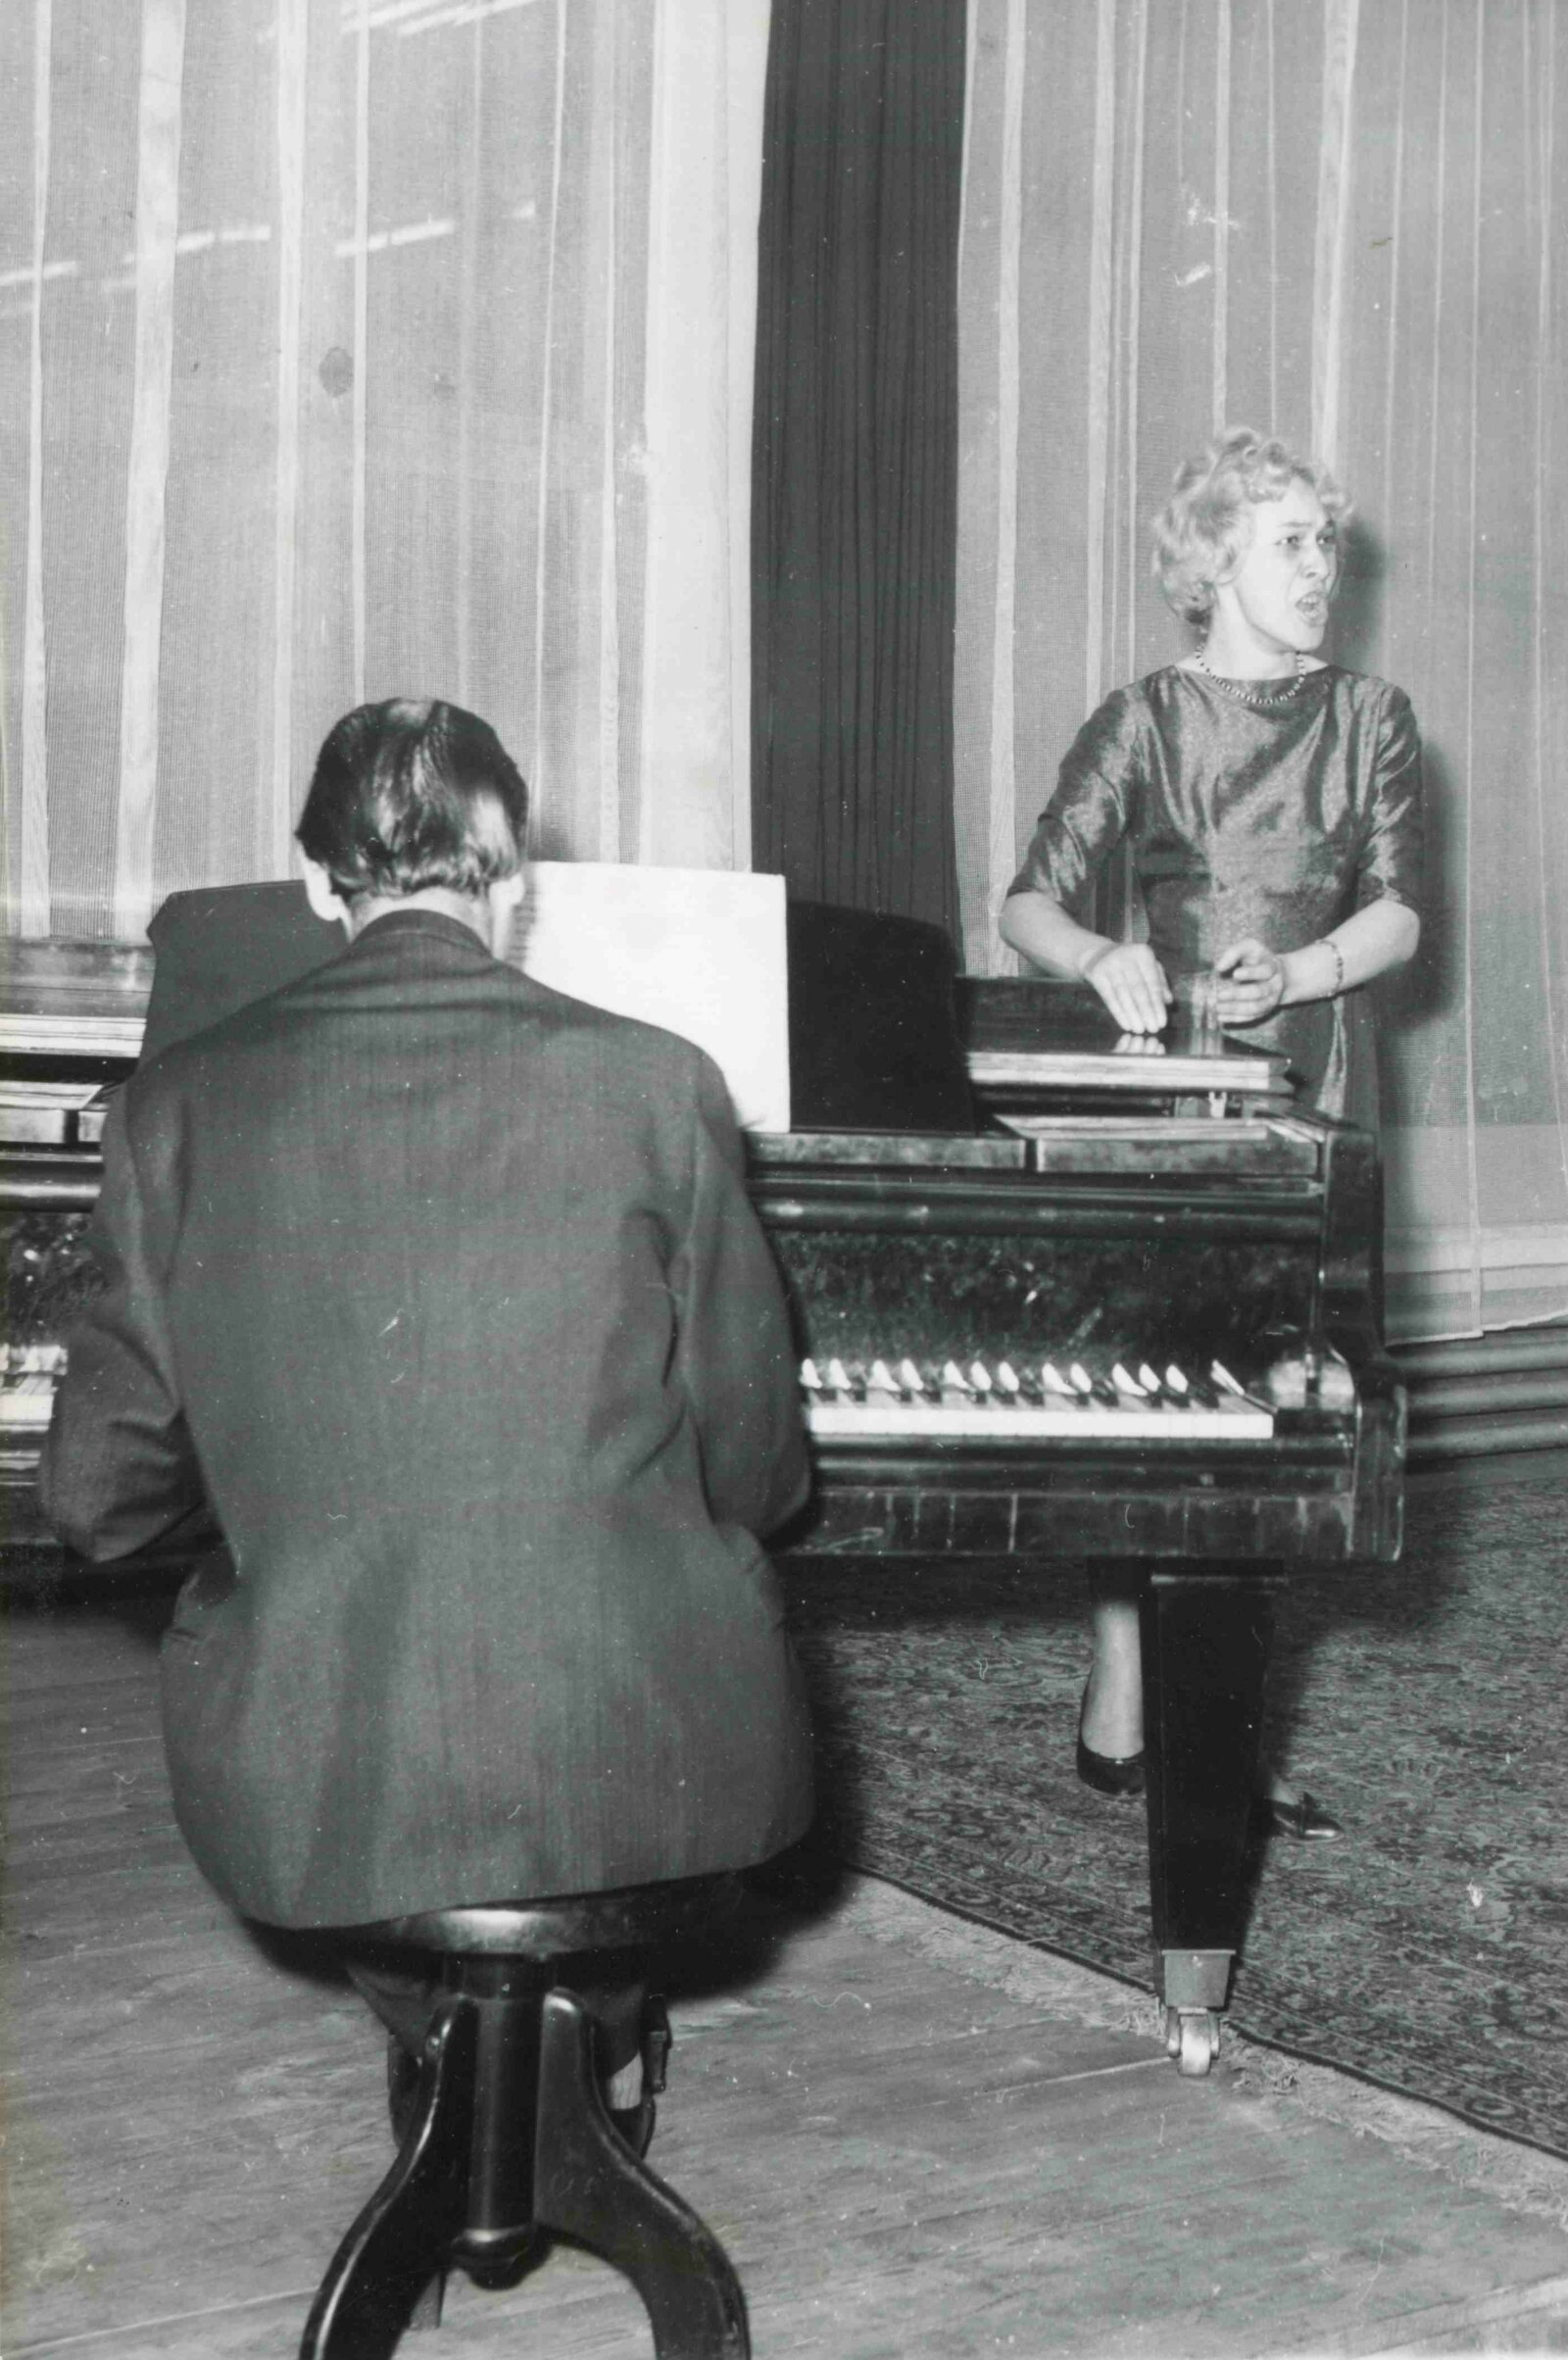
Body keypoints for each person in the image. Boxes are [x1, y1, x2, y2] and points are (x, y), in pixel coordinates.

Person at [40, 696, 813, 2111]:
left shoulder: (174, 1104)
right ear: (511, 872)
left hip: (318, 1756)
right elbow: (758, 1470)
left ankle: (441, 2034)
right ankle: (590, 2033)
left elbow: (97, 1504)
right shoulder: (659, 1081)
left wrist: (291, 1509)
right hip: (648, 1742)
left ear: (314, 879)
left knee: (345, 1712)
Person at [1000, 428, 1423, 1837]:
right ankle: (1124, 1661)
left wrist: (1299, 973)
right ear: (1216, 561)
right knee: (1156, 1403)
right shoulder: (1143, 721)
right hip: (1169, 1101)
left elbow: (1398, 910)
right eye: (1292, 541)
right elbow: (1029, 902)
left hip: (1315, 1089)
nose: (1321, 569)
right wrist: (1098, 958)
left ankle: (1225, 1729)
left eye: (1327, 543)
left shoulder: (1371, 717)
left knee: (1281, 1416)